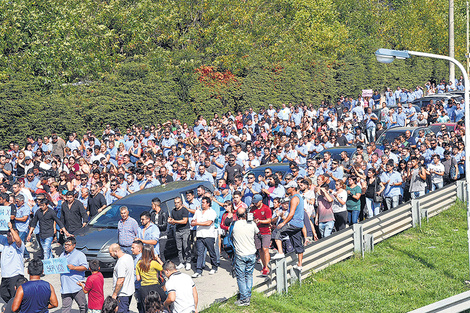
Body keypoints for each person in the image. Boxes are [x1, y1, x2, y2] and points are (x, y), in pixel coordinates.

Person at [232, 206, 259, 306]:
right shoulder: (251, 223)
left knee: (241, 277)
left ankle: (244, 299)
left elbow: (229, 235)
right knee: (249, 275)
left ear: (237, 215)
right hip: (251, 253)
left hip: (240, 254)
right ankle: (248, 295)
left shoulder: (234, 225)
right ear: (246, 214)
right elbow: (258, 232)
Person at [276, 181, 305, 271]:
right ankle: (300, 264)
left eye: (288, 188)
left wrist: (283, 223)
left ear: (293, 188)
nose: (286, 189)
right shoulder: (299, 197)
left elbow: (291, 213)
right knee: (298, 244)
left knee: (277, 233)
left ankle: (280, 252)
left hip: (293, 223)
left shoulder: (294, 198)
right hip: (299, 224)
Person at [191, 196, 218, 278]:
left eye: (203, 202)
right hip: (199, 235)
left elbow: (208, 223)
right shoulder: (198, 211)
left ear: (208, 203)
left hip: (209, 235)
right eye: (201, 202)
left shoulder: (212, 212)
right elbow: (193, 221)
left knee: (211, 252)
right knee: (200, 253)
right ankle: (198, 271)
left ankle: (214, 267)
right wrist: (195, 222)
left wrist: (198, 223)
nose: (202, 204)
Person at [60, 237, 88, 313]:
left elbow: (85, 267)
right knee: (65, 308)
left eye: (68, 245)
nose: (66, 246)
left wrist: (74, 267)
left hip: (77, 286)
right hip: (65, 287)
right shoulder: (62, 255)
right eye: (65, 244)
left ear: (74, 245)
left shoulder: (80, 255)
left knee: (83, 307)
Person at [0, 222, 25, 303]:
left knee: (15, 296)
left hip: (15, 275)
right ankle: (12, 306)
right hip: (5, 276)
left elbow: (18, 240)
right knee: (3, 294)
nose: (7, 237)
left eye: (10, 236)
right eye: (7, 235)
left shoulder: (19, 246)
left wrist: (11, 228)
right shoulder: (5, 243)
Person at [135, 244, 166, 311]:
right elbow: (164, 268)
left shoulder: (139, 263)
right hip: (155, 286)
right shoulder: (153, 263)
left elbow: (138, 278)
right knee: (161, 304)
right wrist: (158, 258)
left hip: (144, 288)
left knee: (147, 308)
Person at [249, 194, 272, 276]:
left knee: (265, 249)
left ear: (261, 201)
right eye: (254, 202)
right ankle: (264, 265)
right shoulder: (252, 209)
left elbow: (269, 220)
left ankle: (267, 266)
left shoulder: (266, 208)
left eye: (256, 202)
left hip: (265, 231)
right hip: (257, 232)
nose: (255, 204)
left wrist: (260, 221)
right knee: (260, 250)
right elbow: (250, 218)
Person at [109, 243, 135, 313]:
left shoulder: (121, 263)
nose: (110, 255)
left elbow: (120, 280)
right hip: (129, 291)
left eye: (111, 253)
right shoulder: (129, 257)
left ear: (116, 251)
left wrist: (114, 294)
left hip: (122, 294)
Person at [168, 197, 191, 271]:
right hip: (177, 230)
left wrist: (175, 221)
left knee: (186, 246)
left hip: (185, 230)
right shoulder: (173, 211)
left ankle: (188, 262)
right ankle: (181, 262)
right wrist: (170, 221)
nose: (176, 204)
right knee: (179, 248)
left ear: (181, 202)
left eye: (178, 202)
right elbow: (172, 221)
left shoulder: (184, 210)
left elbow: (185, 221)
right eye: (175, 203)